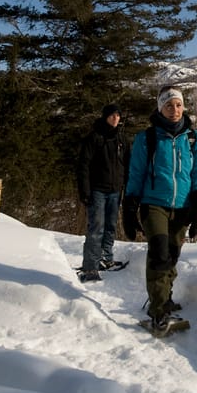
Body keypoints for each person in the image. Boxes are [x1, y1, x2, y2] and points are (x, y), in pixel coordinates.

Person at [123, 85, 197, 333]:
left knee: (171, 255)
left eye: (179, 105)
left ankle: (164, 297)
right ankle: (159, 312)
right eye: (169, 105)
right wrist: (129, 207)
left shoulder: (193, 139)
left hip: (182, 206)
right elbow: (136, 174)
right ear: (160, 107)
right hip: (153, 204)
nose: (174, 110)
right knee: (159, 252)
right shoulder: (147, 138)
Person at [77, 103, 130, 283]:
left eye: (118, 115)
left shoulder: (122, 139)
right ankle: (90, 267)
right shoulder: (94, 137)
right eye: (112, 115)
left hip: (116, 190)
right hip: (97, 191)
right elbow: (83, 165)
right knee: (96, 228)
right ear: (105, 117)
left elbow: (128, 165)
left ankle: (106, 259)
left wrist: (127, 188)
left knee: (110, 227)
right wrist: (85, 191)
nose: (115, 118)